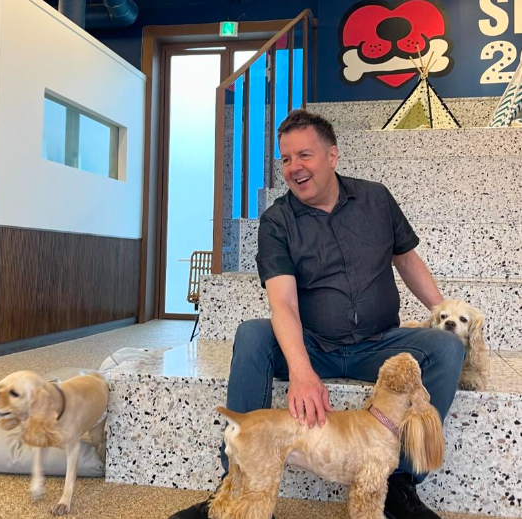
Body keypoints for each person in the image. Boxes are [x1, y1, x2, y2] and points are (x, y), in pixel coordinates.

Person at [169, 109, 465, 519]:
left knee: (447, 348)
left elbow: (407, 259)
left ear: (332, 155)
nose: (294, 167)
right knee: (253, 334)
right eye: (286, 159)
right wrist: (302, 371)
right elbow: (283, 303)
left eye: (304, 155)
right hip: (314, 347)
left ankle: (398, 482)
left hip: (377, 345)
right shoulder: (277, 221)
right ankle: (237, 485)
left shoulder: (376, 199)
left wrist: (443, 311)